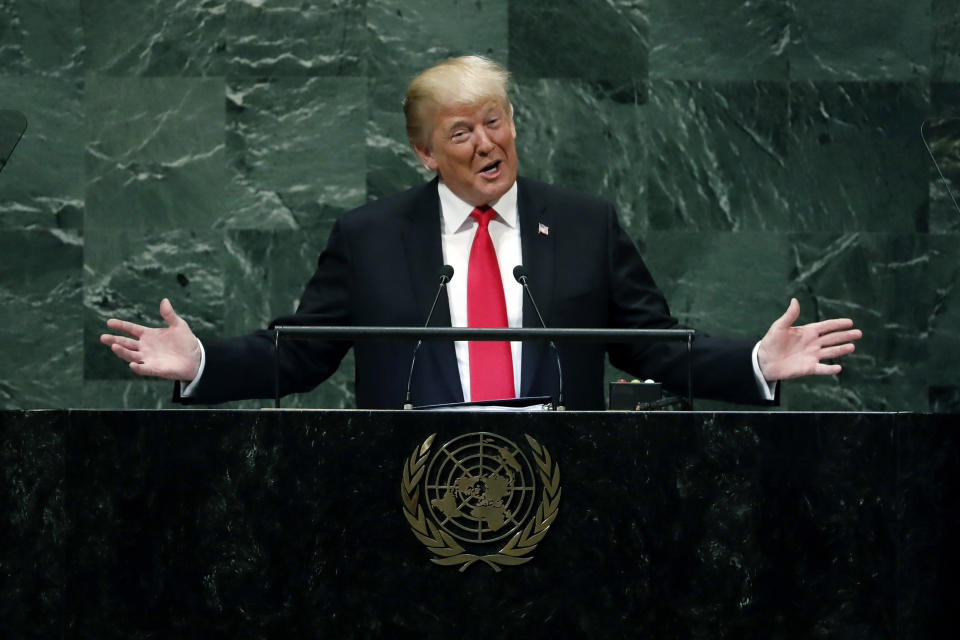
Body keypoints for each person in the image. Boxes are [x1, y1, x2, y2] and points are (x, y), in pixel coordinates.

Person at [100, 55, 861, 409]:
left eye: (494, 120)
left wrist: (755, 362)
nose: (486, 144)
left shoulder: (584, 223)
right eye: (460, 132)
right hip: (409, 486)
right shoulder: (370, 236)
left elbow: (650, 343)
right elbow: (299, 355)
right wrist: (200, 361)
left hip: (568, 488)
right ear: (424, 153)